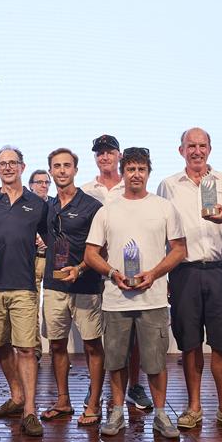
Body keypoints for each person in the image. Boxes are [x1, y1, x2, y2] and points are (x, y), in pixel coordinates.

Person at [85, 147, 186, 439]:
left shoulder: (164, 207)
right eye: (131, 169)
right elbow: (91, 253)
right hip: (116, 300)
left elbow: (180, 249)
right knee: (115, 360)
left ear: (148, 173)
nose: (136, 174)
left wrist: (153, 274)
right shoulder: (108, 210)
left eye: (141, 169)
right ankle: (117, 412)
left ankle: (161, 414)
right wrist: (113, 274)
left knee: (155, 361)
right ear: (123, 172)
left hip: (153, 299)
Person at [156, 127, 222, 431]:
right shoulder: (168, 185)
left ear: (210, 149)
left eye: (202, 145)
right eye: (190, 146)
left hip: (220, 270)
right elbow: (162, 234)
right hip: (183, 271)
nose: (196, 151)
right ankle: (193, 406)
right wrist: (164, 274)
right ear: (180, 150)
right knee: (190, 343)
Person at [0, 146, 49, 437]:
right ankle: (16, 398)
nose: (7, 168)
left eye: (12, 162)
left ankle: (29, 411)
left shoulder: (38, 204)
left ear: (23, 167)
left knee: (26, 348)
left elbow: (50, 238)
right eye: (2, 163)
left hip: (24, 286)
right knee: (1, 345)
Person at [81, 134, 152, 411]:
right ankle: (96, 383)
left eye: (109, 152)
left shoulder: (134, 182)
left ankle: (134, 384)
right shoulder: (86, 189)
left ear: (119, 156)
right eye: (99, 153)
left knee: (132, 334)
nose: (105, 157)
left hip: (130, 269)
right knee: (94, 335)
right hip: (94, 268)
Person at [38, 148, 105, 426]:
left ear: (76, 170)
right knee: (56, 345)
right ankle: (63, 401)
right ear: (50, 171)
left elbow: (103, 249)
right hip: (54, 287)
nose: (62, 170)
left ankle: (93, 403)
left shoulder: (92, 206)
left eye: (67, 165)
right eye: (57, 166)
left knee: (92, 346)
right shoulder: (47, 207)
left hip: (86, 286)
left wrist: (80, 268)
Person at [28, 169, 51, 363]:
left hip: (51, 260)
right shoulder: (25, 204)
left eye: (46, 182)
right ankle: (35, 349)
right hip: (32, 260)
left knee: (52, 308)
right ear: (31, 185)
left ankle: (55, 349)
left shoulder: (54, 204)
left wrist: (48, 241)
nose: (43, 185)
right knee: (31, 305)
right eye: (39, 182)